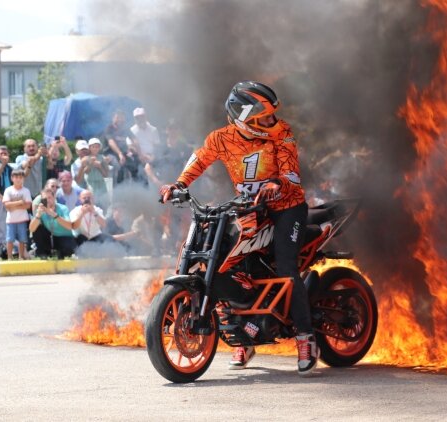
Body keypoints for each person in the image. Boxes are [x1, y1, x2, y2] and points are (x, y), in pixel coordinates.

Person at [160, 81, 317, 376]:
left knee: (286, 268)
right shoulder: (221, 138)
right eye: (264, 118)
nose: (273, 122)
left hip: (287, 208)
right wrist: (179, 184)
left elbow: (291, 172)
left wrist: (277, 184)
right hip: (249, 209)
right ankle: (243, 335)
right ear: (245, 120)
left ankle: (305, 337)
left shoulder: (282, 133)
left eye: (271, 116)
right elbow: (200, 158)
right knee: (228, 263)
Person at [29, 187, 77, 258]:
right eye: (45, 199)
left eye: (49, 198)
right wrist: (38, 215)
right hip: (51, 238)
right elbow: (32, 229)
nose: (47, 200)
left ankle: (60, 253)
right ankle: (43, 253)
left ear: (54, 198)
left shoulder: (63, 208)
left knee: (67, 249)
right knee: (38, 228)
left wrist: (54, 215)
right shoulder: (41, 210)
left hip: (64, 237)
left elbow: (69, 226)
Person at [2, 169, 32, 260]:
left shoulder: (26, 190)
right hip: (10, 220)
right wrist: (19, 202)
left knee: (22, 239)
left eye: (20, 177)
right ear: (12, 178)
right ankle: (9, 257)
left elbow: (28, 205)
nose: (18, 179)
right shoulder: (8, 190)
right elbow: (6, 204)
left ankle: (21, 256)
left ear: (23, 179)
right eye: (16, 177)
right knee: (9, 239)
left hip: (22, 219)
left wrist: (13, 206)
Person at [103, 110, 139, 184]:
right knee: (119, 166)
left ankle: (138, 188)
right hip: (110, 153)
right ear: (113, 118)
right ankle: (119, 191)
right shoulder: (109, 129)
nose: (119, 120)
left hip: (123, 153)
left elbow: (134, 139)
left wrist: (138, 151)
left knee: (134, 166)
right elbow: (111, 142)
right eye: (117, 117)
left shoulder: (125, 128)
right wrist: (119, 154)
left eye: (121, 118)